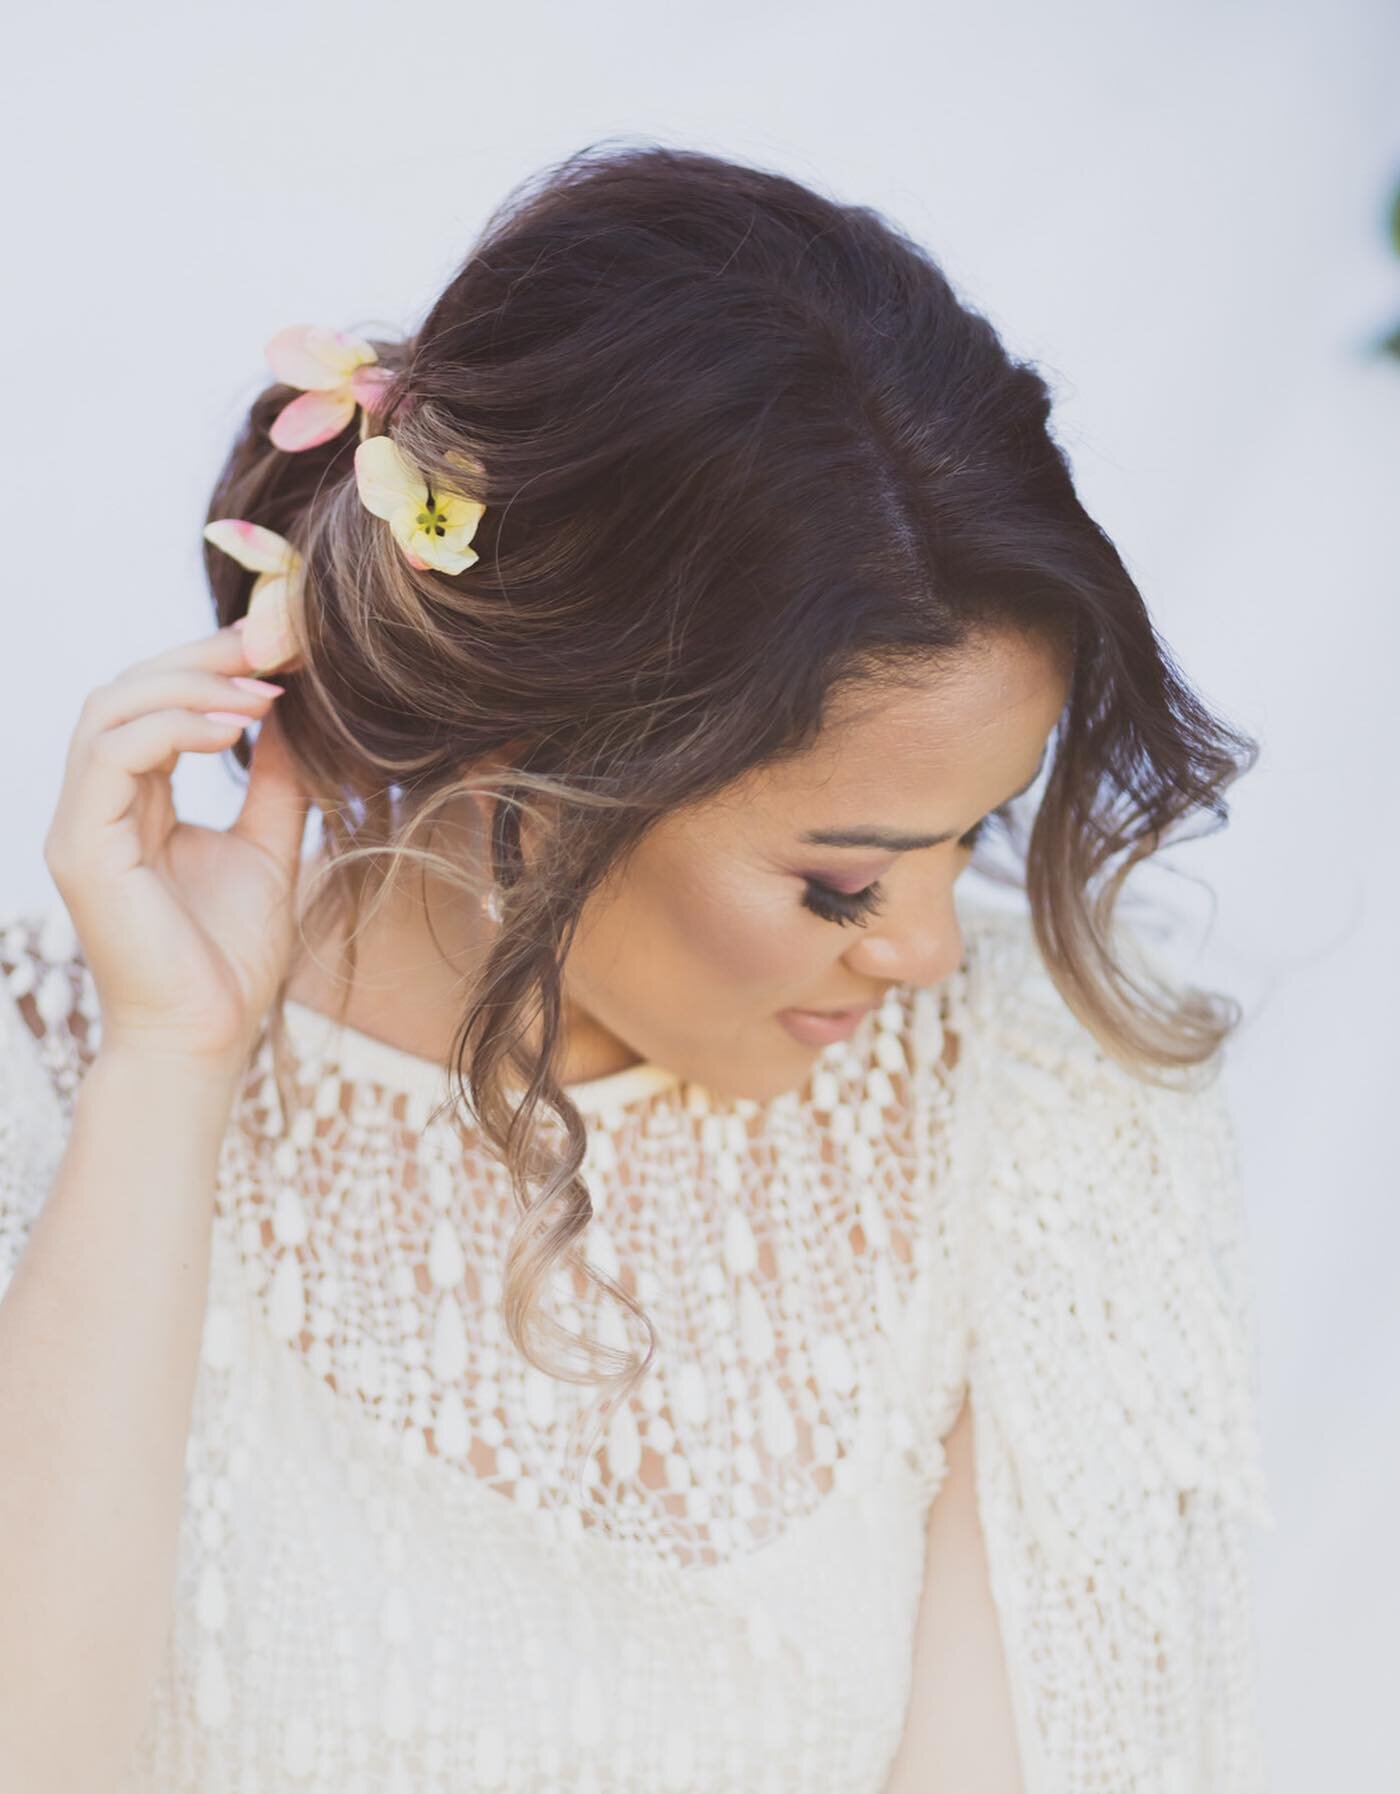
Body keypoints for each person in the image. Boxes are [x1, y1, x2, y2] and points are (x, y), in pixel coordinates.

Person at [0, 142, 1275, 1793]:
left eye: (972, 832)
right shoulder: (59, 1066)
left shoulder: (1035, 1095)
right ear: (526, 767)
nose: (922, 948)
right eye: (840, 880)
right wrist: (168, 1073)